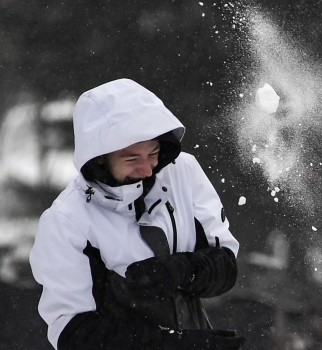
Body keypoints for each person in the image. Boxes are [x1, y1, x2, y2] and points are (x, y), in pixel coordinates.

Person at [29, 78, 245, 350]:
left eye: (153, 153)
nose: (147, 169)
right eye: (132, 159)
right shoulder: (66, 222)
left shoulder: (183, 171)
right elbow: (74, 334)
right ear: (98, 158)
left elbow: (225, 267)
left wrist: (181, 271)